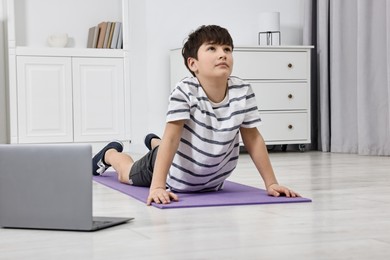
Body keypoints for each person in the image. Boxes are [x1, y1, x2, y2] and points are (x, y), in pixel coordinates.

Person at [92, 24, 300, 206]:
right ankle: (110, 154)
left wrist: (271, 183)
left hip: (211, 181)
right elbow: (173, 139)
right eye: (212, 48)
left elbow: (253, 139)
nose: (222, 54)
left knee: (169, 142)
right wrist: (157, 186)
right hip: (174, 174)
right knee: (126, 173)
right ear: (193, 64)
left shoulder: (242, 91)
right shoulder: (185, 91)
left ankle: (155, 142)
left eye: (227, 49)